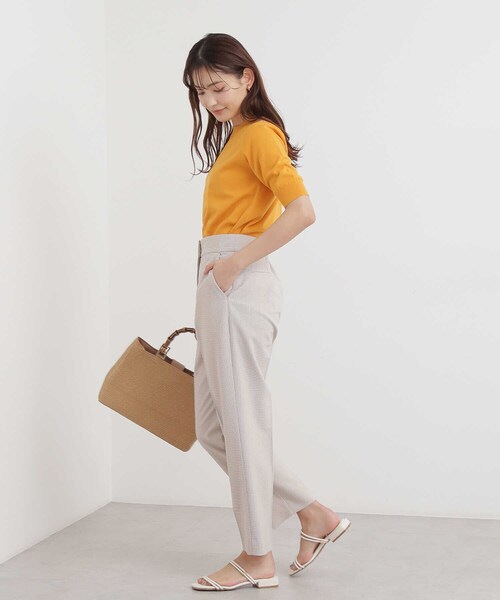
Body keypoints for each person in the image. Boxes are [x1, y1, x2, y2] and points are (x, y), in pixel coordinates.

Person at [183, 33, 351, 592]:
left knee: (242, 423)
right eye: (201, 92)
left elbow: (302, 211)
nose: (211, 100)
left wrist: (235, 264)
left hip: (236, 281)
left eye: (219, 86)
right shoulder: (237, 137)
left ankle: (257, 557)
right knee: (213, 427)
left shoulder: (257, 134)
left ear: (247, 78)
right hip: (220, 281)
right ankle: (314, 514)